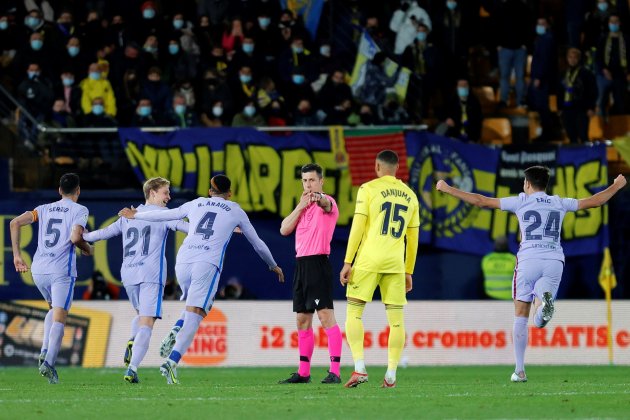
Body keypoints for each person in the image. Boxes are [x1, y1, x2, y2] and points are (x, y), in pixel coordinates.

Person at [436, 167, 627, 382]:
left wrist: (448, 189)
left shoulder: (520, 201)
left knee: (520, 314)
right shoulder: (559, 202)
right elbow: (595, 201)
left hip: (528, 259)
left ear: (527, 184)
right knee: (539, 318)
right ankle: (543, 303)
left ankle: (519, 370)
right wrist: (617, 185)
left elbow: (481, 201)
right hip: (555, 259)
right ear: (545, 184)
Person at [118, 174, 284, 384]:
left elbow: (165, 216)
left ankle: (178, 326)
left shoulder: (195, 203)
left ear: (209, 192)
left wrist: (136, 215)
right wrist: (273, 265)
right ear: (229, 194)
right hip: (206, 263)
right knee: (196, 314)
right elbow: (258, 244)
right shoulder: (235, 210)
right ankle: (172, 362)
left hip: (183, 261)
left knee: (192, 306)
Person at [83, 177, 188, 383]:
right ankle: (132, 369)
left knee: (141, 316)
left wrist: (84, 236)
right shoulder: (165, 214)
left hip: (129, 274)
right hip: (151, 274)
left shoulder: (128, 216)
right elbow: (187, 228)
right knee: (147, 323)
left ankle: (133, 341)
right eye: (165, 192)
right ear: (152, 193)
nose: (169, 196)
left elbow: (103, 234)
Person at [340, 150, 420, 388]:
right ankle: (392, 374)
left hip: (368, 260)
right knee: (396, 321)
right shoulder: (410, 196)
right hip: (395, 263)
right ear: (397, 168)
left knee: (354, 313)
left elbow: (357, 226)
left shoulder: (368, 189)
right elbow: (412, 239)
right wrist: (408, 271)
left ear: (377, 166)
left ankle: (360, 368)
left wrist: (347, 261)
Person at [10, 173, 93, 384]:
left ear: (59, 190)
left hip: (38, 270)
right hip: (60, 271)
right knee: (60, 317)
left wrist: (17, 255)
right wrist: (87, 248)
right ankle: (49, 362)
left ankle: (45, 350)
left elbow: (14, 223)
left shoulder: (43, 209)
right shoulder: (79, 210)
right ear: (78, 191)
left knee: (52, 310)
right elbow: (75, 237)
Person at [278, 163, 343, 385]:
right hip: (301, 265)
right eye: (305, 180)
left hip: (318, 264)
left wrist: (317, 198)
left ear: (321, 181)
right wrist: (300, 206)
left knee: (325, 317)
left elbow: (325, 203)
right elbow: (284, 229)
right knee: (302, 319)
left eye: (312, 180)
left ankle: (335, 371)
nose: (308, 184)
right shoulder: (303, 206)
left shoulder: (328, 202)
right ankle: (304, 372)